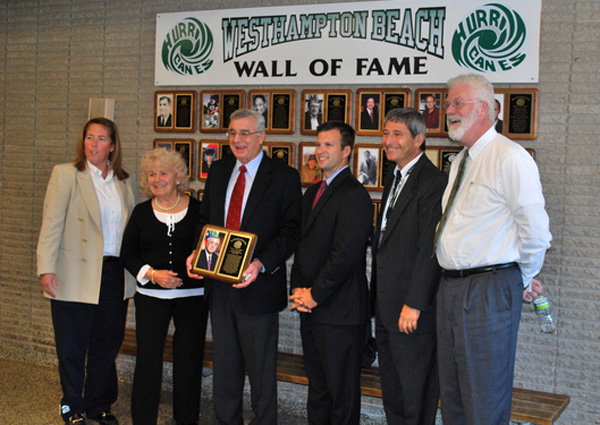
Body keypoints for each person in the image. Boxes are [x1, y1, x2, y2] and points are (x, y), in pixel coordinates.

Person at [435, 73, 552, 425]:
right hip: (451, 288)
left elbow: (536, 233)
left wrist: (521, 278)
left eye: (458, 103)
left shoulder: (510, 157)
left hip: (487, 292)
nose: (449, 110)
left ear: (484, 108)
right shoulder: (461, 160)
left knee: (484, 402)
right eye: (448, 103)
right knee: (453, 399)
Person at [186, 109, 302, 425]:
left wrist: (261, 264)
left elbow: (291, 231)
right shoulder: (220, 170)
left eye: (245, 133)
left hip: (259, 288)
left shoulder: (283, 176)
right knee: (224, 368)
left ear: (261, 137)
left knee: (261, 372)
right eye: (232, 133)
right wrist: (198, 252)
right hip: (220, 288)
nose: (237, 140)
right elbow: (204, 221)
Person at [36, 117, 138, 425]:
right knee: (72, 345)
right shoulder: (66, 175)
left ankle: (99, 405)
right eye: (89, 138)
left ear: (113, 146)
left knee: (106, 345)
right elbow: (51, 224)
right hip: (74, 272)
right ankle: (72, 405)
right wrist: (46, 268)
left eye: (101, 139)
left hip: (114, 273)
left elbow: (132, 229)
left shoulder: (123, 180)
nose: (93, 144)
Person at [290, 121, 372, 425]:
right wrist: (300, 292)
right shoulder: (313, 192)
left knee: (341, 397)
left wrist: (315, 294)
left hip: (340, 314)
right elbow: (304, 248)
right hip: (310, 309)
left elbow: (345, 256)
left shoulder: (354, 194)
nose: (320, 151)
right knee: (319, 390)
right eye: (318, 144)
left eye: (329, 145)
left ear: (346, 151)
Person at [120, 148, 208, 425]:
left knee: (189, 362)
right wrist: (153, 274)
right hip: (150, 297)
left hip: (192, 297)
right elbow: (128, 254)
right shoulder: (141, 212)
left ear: (178, 176)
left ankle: (186, 420)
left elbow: (210, 247)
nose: (157, 179)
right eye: (152, 174)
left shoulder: (199, 210)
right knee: (148, 361)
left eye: (164, 173)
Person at [371, 108, 446, 425]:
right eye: (386, 133)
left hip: (412, 312)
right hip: (387, 309)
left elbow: (429, 249)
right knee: (393, 394)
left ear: (419, 139)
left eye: (397, 134)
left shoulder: (433, 182)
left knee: (416, 397)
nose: (388, 140)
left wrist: (413, 303)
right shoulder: (396, 176)